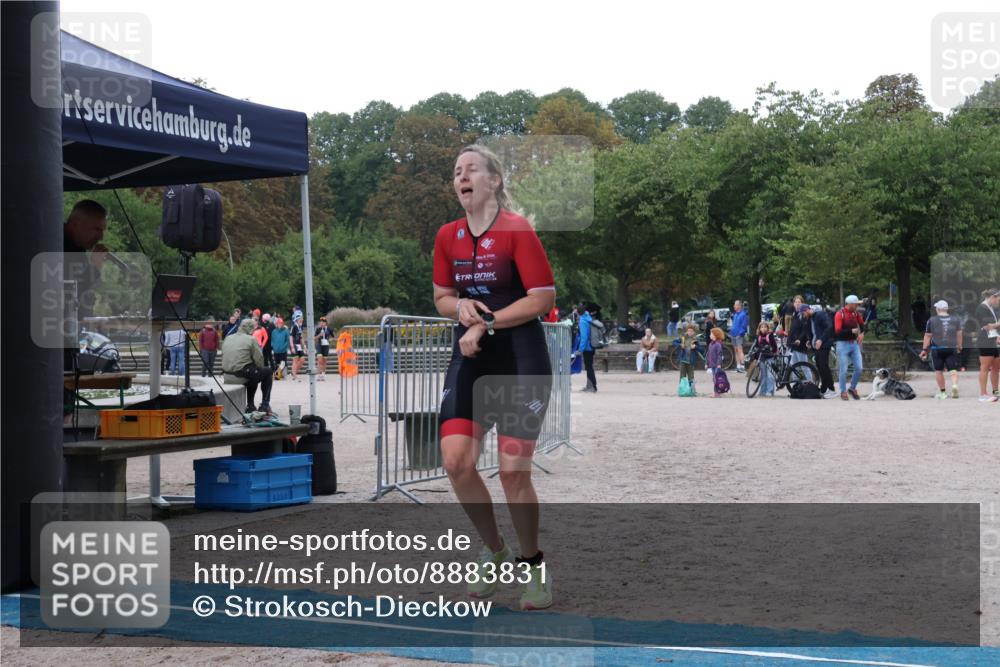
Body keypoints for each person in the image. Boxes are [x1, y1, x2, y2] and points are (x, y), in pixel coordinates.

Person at [432, 144, 555, 610]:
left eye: (471, 169)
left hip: (521, 357)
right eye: (456, 170)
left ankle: (533, 563)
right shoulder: (447, 236)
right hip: (472, 355)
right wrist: (459, 307)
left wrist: (486, 321)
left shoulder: (517, 230)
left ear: (494, 181)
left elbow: (542, 297)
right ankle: (495, 549)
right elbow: (443, 296)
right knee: (457, 462)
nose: (461, 176)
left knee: (511, 473)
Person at [221, 318, 273, 413]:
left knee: (253, 372)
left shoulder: (228, 337)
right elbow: (260, 361)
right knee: (267, 371)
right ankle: (264, 404)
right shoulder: (251, 339)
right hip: (241, 376)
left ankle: (251, 405)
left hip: (227, 376)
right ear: (250, 329)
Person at [920, 300, 963, 399]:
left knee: (938, 371)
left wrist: (924, 350)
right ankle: (954, 385)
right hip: (951, 348)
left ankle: (943, 392)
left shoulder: (932, 320)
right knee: (953, 369)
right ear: (946, 309)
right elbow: (959, 334)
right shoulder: (955, 319)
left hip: (937, 348)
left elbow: (928, 336)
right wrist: (960, 346)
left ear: (938, 309)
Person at [834, 295, 865, 400]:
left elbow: (862, 324)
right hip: (842, 344)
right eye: (856, 304)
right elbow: (838, 331)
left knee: (859, 368)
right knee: (844, 369)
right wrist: (851, 331)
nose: (857, 305)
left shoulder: (855, 313)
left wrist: (862, 334)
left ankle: (852, 387)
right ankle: (843, 391)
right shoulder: (840, 314)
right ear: (850, 304)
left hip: (854, 344)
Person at [805, 304, 837, 398]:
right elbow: (813, 332)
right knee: (820, 366)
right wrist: (810, 341)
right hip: (817, 346)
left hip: (824, 344)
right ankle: (824, 388)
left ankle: (831, 389)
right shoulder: (810, 319)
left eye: (803, 313)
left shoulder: (819, 315)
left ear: (807, 310)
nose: (803, 315)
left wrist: (821, 340)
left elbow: (829, 327)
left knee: (824, 366)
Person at [974, 289, 1000, 402]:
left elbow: (993, 327)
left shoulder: (992, 309)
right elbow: (987, 326)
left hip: (993, 340)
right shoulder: (981, 308)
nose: (998, 302)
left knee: (996, 368)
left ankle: (996, 392)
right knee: (984, 367)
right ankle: (983, 394)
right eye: (998, 299)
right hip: (985, 341)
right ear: (992, 297)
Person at [576, 303, 599, 392]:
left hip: (587, 347)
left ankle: (593, 386)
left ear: (578, 313)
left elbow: (584, 337)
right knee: (589, 366)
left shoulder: (583, 321)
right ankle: (589, 385)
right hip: (592, 346)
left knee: (589, 367)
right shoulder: (589, 318)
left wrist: (580, 349)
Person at [752, 320, 778, 396]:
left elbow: (774, 347)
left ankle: (769, 391)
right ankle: (763, 391)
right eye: (761, 327)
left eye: (765, 327)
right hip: (762, 358)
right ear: (759, 328)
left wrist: (770, 349)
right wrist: (756, 358)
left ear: (767, 328)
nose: (763, 329)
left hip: (769, 357)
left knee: (770, 375)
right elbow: (756, 348)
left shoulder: (770, 336)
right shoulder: (758, 337)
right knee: (763, 375)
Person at [678, 322, 698, 395]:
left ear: (694, 332)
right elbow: (675, 342)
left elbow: (701, 349)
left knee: (691, 377)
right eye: (688, 331)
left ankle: (692, 391)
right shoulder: (683, 337)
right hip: (683, 360)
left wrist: (696, 347)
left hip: (691, 361)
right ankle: (682, 390)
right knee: (682, 376)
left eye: (691, 331)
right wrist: (680, 345)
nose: (689, 332)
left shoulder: (696, 339)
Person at [729, 300, 749, 373]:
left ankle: (743, 366)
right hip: (734, 334)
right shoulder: (735, 314)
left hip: (739, 335)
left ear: (739, 306)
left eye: (735, 305)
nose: (734, 306)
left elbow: (744, 326)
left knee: (740, 350)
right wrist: (731, 333)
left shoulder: (743, 315)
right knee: (736, 350)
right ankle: (738, 366)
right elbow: (734, 325)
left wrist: (740, 334)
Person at [707, 327, 726, 397]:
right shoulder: (711, 344)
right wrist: (707, 363)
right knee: (714, 379)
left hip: (717, 365)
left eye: (711, 334)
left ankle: (717, 392)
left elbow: (719, 355)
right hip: (712, 365)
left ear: (716, 335)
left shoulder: (718, 344)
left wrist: (719, 364)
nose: (710, 335)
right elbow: (708, 354)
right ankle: (716, 392)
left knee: (717, 379)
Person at [314, 316, 333, 381]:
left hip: (326, 345)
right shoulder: (318, 329)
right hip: (319, 345)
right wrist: (319, 335)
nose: (322, 323)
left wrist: (330, 339)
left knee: (324, 361)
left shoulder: (329, 329)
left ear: (326, 323)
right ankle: (319, 374)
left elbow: (332, 337)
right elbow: (314, 338)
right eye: (321, 322)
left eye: (323, 322)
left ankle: (323, 374)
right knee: (319, 360)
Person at [289, 314, 305, 380]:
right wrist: (292, 346)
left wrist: (304, 346)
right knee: (295, 360)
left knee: (302, 359)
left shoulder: (300, 327)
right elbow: (290, 336)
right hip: (294, 344)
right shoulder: (294, 326)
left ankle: (293, 372)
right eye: (301, 318)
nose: (302, 319)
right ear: (297, 319)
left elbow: (301, 338)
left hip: (298, 345)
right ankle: (294, 375)